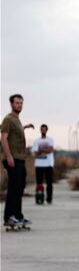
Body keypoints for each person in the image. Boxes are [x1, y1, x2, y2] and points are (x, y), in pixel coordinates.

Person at [1, 94, 34, 228]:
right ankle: (9, 217)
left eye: (21, 103)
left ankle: (18, 216)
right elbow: (3, 138)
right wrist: (8, 156)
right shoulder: (8, 119)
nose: (19, 105)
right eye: (17, 103)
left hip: (20, 159)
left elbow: (16, 131)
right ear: (11, 104)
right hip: (12, 158)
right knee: (13, 188)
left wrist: (25, 126)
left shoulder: (17, 120)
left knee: (20, 188)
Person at [31, 124, 55, 204]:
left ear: (46, 130)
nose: (43, 131)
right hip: (39, 165)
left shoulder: (50, 140)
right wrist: (44, 150)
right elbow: (35, 153)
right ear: (40, 130)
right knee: (39, 183)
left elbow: (50, 150)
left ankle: (49, 198)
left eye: (44, 129)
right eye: (42, 129)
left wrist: (40, 151)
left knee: (49, 183)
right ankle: (39, 198)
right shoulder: (36, 141)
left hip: (48, 164)